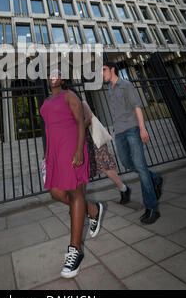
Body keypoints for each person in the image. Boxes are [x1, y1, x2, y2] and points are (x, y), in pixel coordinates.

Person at [40, 70, 104, 279]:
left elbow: (80, 122)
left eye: (57, 73)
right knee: (56, 193)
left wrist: (78, 150)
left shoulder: (69, 95)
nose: (53, 76)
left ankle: (74, 250)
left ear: (63, 79)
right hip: (54, 152)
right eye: (50, 73)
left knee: (76, 194)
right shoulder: (47, 99)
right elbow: (50, 128)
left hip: (71, 148)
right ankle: (93, 210)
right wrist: (47, 155)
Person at [102, 62, 163, 225]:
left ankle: (152, 209)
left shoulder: (126, 85)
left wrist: (142, 129)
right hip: (119, 132)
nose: (102, 74)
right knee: (126, 162)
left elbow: (137, 107)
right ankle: (155, 179)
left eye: (103, 70)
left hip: (132, 130)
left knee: (140, 166)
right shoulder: (110, 88)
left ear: (112, 69)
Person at [80, 96, 131, 204]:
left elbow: (89, 118)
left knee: (105, 166)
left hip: (93, 140)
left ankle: (124, 189)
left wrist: (77, 129)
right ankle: (79, 202)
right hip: (81, 142)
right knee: (81, 170)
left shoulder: (82, 103)